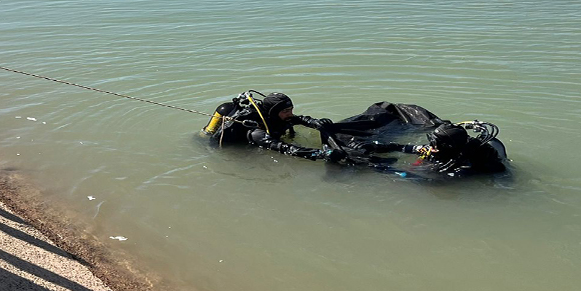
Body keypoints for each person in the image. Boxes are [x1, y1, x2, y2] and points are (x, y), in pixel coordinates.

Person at [321, 102, 509, 180]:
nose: (431, 147)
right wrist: (381, 146)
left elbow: (421, 180)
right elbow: (413, 148)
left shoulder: (459, 166)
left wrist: (381, 168)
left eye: (435, 144)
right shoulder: (446, 148)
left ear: (448, 147)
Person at [203, 90, 347, 161]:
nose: (290, 113)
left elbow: (298, 119)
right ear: (274, 112)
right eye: (286, 111)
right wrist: (321, 154)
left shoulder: (279, 117)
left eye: (291, 109)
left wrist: (316, 122)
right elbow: (285, 149)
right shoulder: (257, 132)